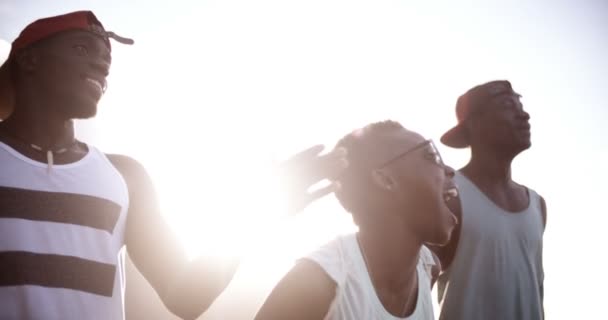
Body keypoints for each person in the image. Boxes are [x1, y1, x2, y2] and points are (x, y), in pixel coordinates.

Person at [0, 11, 348, 320]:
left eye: (107, 59)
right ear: (29, 60)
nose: (102, 65)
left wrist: (258, 215)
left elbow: (187, 297)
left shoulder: (125, 177)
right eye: (81, 49)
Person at [255, 120, 460, 320]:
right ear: (386, 179)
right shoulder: (317, 282)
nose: (449, 170)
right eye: (431, 155)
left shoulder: (427, 268)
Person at [432, 80, 546, 320]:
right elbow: (413, 287)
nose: (524, 115)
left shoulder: (537, 205)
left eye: (520, 105)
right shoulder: (450, 194)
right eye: (507, 105)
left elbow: (536, 290)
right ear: (474, 125)